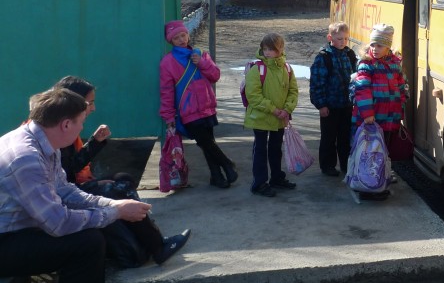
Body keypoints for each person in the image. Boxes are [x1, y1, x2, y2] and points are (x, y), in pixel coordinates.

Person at [0, 88, 151, 283]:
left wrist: (110, 205)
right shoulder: (26, 158)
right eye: (81, 122)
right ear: (66, 124)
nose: (83, 128)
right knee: (87, 243)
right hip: (5, 242)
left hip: (16, 230)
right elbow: (58, 224)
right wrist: (115, 213)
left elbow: (66, 191)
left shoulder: (43, 140)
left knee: (91, 232)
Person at [55, 76, 190, 266]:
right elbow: (59, 182)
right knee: (117, 189)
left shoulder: (63, 125)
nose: (93, 108)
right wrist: (92, 185)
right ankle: (157, 246)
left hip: (69, 188)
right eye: (89, 103)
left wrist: (95, 143)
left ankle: (147, 233)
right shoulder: (57, 131)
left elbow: (69, 167)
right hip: (61, 199)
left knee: (122, 179)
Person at [159, 20, 238, 189]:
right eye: (176, 38)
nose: (181, 39)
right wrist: (168, 115)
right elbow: (166, 91)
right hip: (187, 110)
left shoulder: (200, 54)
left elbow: (215, 75)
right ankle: (226, 164)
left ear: (188, 34)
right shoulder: (168, 62)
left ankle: (216, 176)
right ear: (171, 41)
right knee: (205, 142)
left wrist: (202, 62)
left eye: (183, 35)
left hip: (206, 106)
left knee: (208, 142)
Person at [351, 24, 408, 198]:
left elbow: (401, 86)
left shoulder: (395, 64)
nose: (375, 49)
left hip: (390, 117)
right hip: (371, 119)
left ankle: (381, 175)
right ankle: (366, 183)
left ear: (388, 46)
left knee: (384, 149)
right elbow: (362, 89)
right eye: (373, 45)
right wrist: (368, 114)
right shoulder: (366, 64)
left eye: (380, 45)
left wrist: (402, 100)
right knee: (370, 151)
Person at [244, 32, 299, 197]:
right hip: (262, 117)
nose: (267, 52)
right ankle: (259, 183)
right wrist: (274, 110)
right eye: (265, 49)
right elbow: (253, 95)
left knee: (276, 149)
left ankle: (276, 177)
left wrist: (287, 109)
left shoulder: (287, 69)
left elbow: (293, 91)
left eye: (272, 49)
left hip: (280, 118)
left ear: (281, 49)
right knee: (260, 150)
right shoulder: (257, 68)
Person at [309, 21, 357, 177]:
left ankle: (346, 163)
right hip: (330, 105)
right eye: (339, 39)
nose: (343, 42)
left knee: (345, 136)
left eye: (345, 38)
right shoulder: (324, 57)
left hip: (347, 105)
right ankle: (328, 165)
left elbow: (356, 76)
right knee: (329, 137)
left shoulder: (350, 54)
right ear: (330, 38)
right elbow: (317, 83)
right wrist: (321, 104)